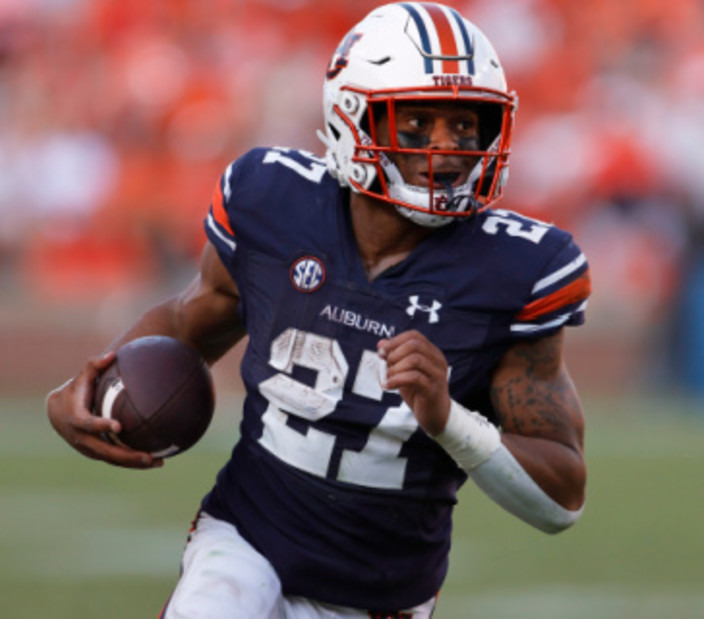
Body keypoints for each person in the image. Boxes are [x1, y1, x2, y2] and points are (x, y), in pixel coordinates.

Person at [46, 3, 591, 617]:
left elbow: (561, 500)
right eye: (417, 124)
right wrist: (94, 390)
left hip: (382, 595)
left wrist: (449, 420)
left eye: (466, 128)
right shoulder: (273, 202)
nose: (450, 149)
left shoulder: (518, 268)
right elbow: (188, 321)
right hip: (247, 538)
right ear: (351, 117)